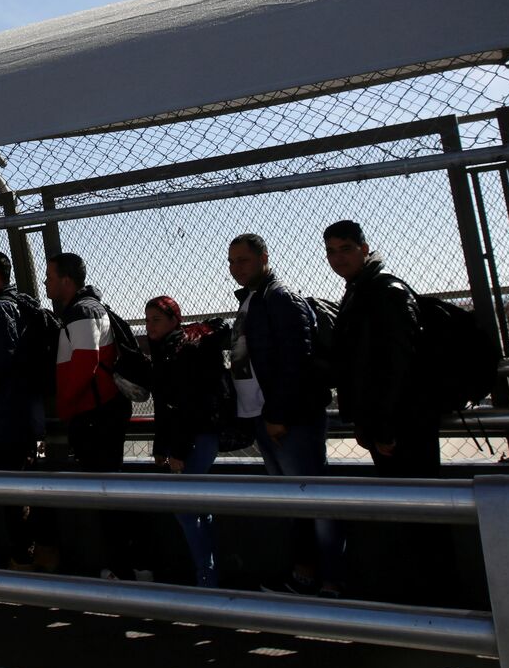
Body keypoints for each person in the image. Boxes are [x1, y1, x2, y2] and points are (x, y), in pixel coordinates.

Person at [324, 219, 445, 604]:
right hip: (391, 422)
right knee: (413, 515)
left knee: (421, 516)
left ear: (364, 248)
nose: (337, 258)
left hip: (401, 425)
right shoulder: (364, 290)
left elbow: (397, 364)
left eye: (345, 249)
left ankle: (435, 600)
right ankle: (427, 599)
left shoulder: (383, 292)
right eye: (331, 252)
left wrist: (385, 426)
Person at [229, 233, 343, 597]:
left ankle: (331, 581)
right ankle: (305, 575)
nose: (236, 268)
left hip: (289, 420)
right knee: (297, 503)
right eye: (231, 262)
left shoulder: (280, 298)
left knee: (315, 502)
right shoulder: (255, 300)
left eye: (243, 260)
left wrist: (277, 415)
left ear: (264, 257)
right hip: (269, 418)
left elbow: (296, 362)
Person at [44, 252, 143, 581]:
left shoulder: (82, 312)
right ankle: (126, 566)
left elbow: (85, 363)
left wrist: (65, 407)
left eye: (50, 277)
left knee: (106, 494)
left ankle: (123, 570)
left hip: (94, 416)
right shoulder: (87, 308)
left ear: (66, 281)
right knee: (109, 492)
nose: (45, 282)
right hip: (99, 413)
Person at [0, 250, 51, 571]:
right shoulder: (22, 306)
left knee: (9, 493)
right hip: (25, 416)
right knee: (24, 488)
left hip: (4, 420)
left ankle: (22, 560)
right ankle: (36, 553)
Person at [144, 296, 223, 588]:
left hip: (195, 437)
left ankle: (207, 579)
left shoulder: (182, 351)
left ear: (174, 321)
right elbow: (166, 407)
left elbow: (186, 406)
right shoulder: (167, 349)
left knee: (185, 508)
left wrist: (175, 450)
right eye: (147, 320)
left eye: (156, 320)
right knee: (196, 507)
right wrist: (161, 447)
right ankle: (209, 576)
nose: (150, 326)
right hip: (196, 436)